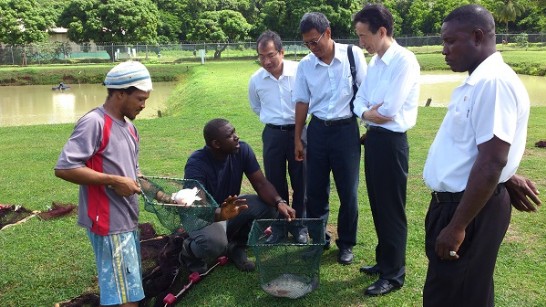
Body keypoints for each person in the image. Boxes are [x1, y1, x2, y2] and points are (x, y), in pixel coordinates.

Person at [422, 5, 538, 306]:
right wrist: (506, 176)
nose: (443, 50)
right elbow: (483, 150)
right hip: (465, 203)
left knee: (451, 295)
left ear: (477, 36)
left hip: (467, 209)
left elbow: (492, 160)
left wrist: (457, 226)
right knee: (466, 292)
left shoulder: (493, 82)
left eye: (450, 41)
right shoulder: (478, 81)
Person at [54, 61, 153, 307]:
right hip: (109, 224)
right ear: (120, 93)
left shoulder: (130, 128)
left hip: (126, 221)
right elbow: (65, 167)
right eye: (140, 99)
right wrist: (113, 180)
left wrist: (165, 195)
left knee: (128, 292)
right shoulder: (95, 123)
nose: (144, 105)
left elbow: (134, 173)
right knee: (124, 299)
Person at [351, 4, 420, 296]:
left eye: (364, 35)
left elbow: (390, 110)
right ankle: (384, 262)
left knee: (391, 208)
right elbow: (358, 101)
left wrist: (367, 111)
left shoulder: (404, 61)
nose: (360, 43)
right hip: (375, 139)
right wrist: (368, 112)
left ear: (382, 31)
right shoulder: (377, 63)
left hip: (392, 143)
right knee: (378, 204)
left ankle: (393, 274)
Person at [293, 12, 367, 265]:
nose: (312, 48)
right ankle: (318, 239)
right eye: (307, 44)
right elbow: (302, 101)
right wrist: (297, 138)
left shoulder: (352, 55)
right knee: (314, 191)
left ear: (328, 33)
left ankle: (346, 243)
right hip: (317, 131)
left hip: (346, 130)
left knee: (349, 192)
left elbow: (365, 92)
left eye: (315, 41)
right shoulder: (305, 65)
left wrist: (368, 126)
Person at [182, 118, 296, 272]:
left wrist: (279, 202)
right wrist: (219, 214)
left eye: (234, 131)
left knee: (269, 207)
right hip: (202, 216)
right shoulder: (196, 163)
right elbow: (197, 205)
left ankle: (236, 246)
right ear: (216, 144)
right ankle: (188, 252)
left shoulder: (242, 150)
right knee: (215, 244)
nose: (237, 137)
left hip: (228, 210)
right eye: (230, 135)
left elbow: (261, 183)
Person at [248, 30, 307, 244]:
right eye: (261, 56)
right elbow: (256, 106)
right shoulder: (256, 80)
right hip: (272, 134)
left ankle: (299, 226)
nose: (266, 61)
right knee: (274, 181)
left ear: (281, 52)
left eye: (271, 55)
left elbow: (309, 100)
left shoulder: (299, 71)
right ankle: (280, 228)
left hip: (299, 131)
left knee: (302, 181)